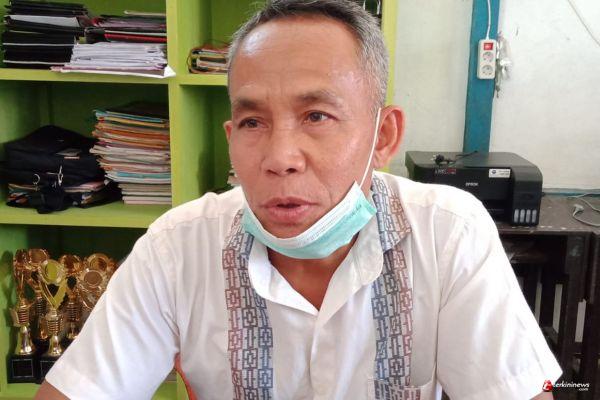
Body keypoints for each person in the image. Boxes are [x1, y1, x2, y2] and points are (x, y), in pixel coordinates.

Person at [36, 1, 562, 399]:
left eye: (317, 116)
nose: (279, 158)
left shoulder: (448, 233)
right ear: (230, 138)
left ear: (383, 136)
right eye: (252, 122)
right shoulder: (178, 248)